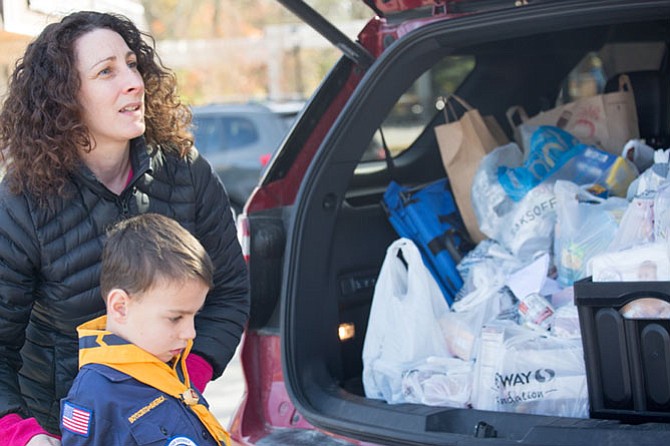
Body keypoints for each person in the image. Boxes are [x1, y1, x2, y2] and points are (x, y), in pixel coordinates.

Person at [0, 11, 250, 446]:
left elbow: (229, 290)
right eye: (106, 72)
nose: (133, 81)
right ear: (64, 98)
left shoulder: (184, 174)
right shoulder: (21, 202)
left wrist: (182, 379)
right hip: (63, 428)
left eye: (133, 64)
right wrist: (24, 437)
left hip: (170, 416)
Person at [61, 213, 230, 445]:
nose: (190, 333)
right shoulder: (95, 396)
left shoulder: (166, 362)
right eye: (175, 318)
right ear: (120, 307)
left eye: (194, 315)